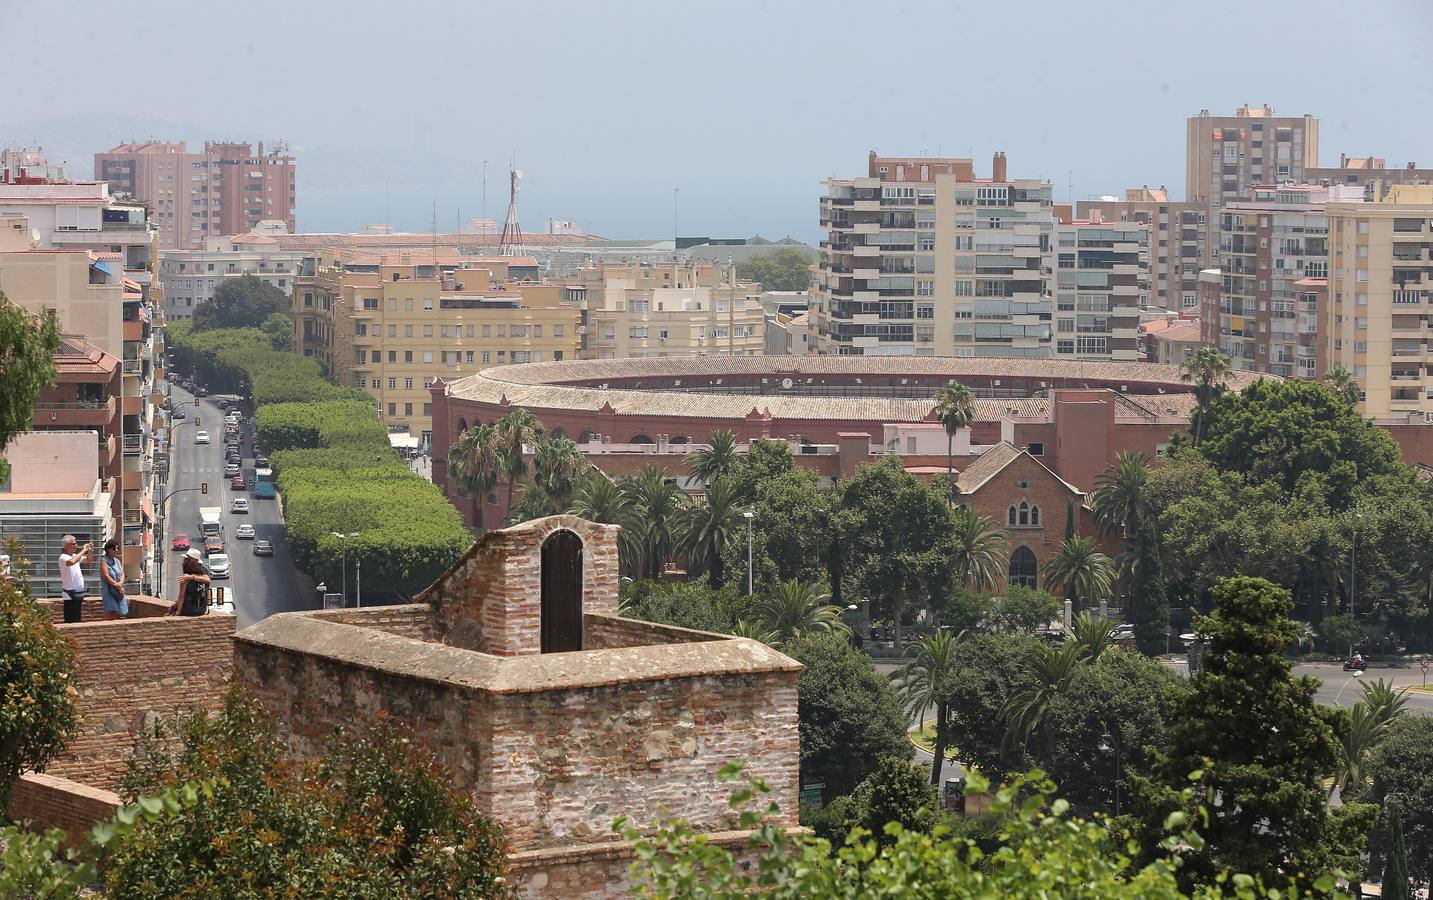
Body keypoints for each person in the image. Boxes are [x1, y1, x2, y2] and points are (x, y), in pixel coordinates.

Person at [58, 534, 93, 623]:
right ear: (66, 546)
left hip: (78, 593)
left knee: (77, 619)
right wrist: (83, 550)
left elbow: (89, 560)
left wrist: (90, 550)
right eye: (73, 544)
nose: (75, 546)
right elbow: (72, 562)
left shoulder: (76, 556)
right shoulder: (63, 557)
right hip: (69, 594)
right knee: (70, 620)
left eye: (75, 543)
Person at [169, 548, 212, 617]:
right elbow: (207, 580)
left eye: (186, 559)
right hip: (201, 609)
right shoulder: (203, 570)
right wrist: (192, 577)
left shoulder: (186, 577)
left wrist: (178, 612)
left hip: (188, 610)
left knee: (170, 610)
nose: (184, 561)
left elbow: (181, 597)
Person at [98, 539, 128, 620]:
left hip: (118, 590)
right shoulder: (104, 560)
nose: (117, 550)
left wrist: (120, 583)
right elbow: (106, 576)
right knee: (111, 611)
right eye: (114, 548)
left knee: (119, 612)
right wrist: (116, 585)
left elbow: (122, 574)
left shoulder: (117, 561)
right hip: (109, 591)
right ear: (108, 549)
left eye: (118, 548)